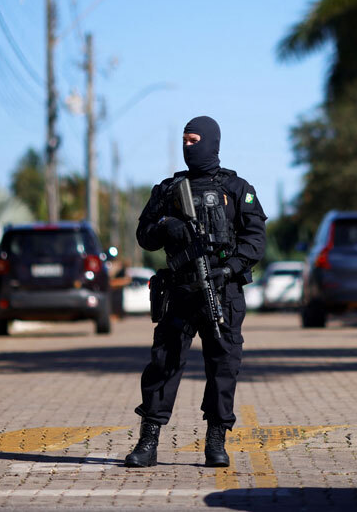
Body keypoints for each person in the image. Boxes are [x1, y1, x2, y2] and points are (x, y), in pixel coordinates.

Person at [125, 115, 266, 468]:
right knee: (164, 364)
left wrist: (230, 267)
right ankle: (148, 441)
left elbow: (255, 240)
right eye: (184, 141)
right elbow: (144, 234)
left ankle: (216, 440)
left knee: (224, 366)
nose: (188, 147)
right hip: (180, 290)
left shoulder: (236, 189)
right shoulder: (169, 189)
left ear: (210, 142)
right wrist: (166, 226)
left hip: (223, 292)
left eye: (193, 140)